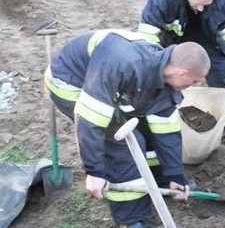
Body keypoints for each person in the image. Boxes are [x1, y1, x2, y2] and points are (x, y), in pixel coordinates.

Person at [44, 29, 209, 228]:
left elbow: (166, 129)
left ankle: (159, 181)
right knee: (123, 143)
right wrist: (94, 172)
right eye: (194, 81)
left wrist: (175, 175)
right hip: (71, 83)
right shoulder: (122, 63)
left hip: (112, 86)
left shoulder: (162, 71)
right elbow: (90, 118)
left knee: (147, 131)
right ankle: (131, 219)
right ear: (181, 73)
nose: (196, 85)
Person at [137, 0, 225, 149]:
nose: (201, 9)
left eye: (206, 4)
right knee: (168, 83)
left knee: (223, 77)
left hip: (206, 36)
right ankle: (176, 134)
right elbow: (147, 38)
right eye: (198, 3)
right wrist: (157, 68)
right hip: (172, 40)